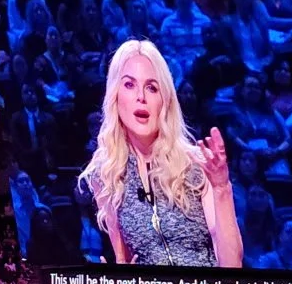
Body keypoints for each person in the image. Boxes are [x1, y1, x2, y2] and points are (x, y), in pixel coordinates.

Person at [79, 39, 243, 268]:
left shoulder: (196, 165)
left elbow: (232, 265)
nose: (141, 97)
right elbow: (123, 261)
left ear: (164, 101)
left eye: (152, 87)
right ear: (115, 96)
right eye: (129, 85)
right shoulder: (106, 175)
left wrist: (221, 187)